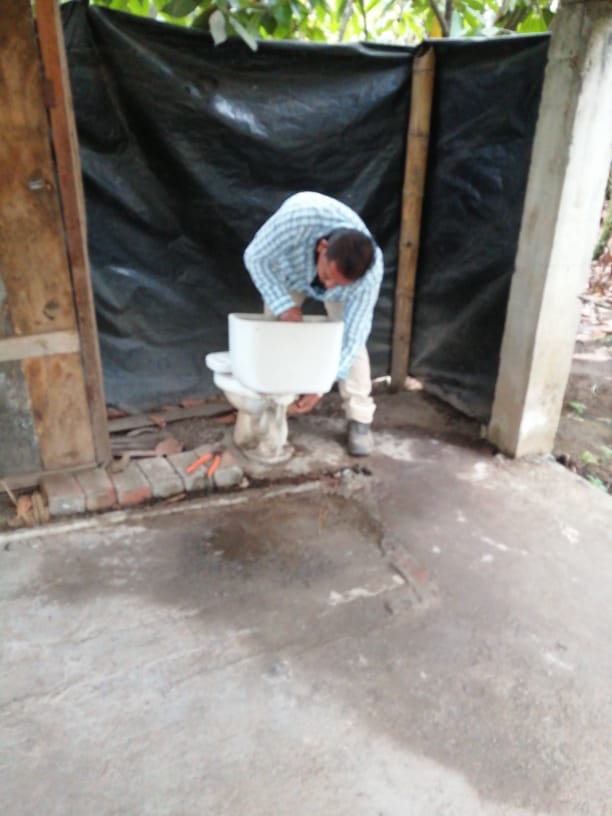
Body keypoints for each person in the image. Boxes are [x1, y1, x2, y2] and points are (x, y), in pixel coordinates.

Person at [243, 191, 384, 456]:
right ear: (322, 247)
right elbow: (255, 257)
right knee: (274, 333)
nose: (328, 286)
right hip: (289, 274)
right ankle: (275, 407)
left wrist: (321, 386)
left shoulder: (369, 276)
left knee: (353, 344)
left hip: (344, 297)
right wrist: (283, 305)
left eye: (339, 283)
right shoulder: (299, 216)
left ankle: (360, 419)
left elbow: (353, 336)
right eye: (329, 275)